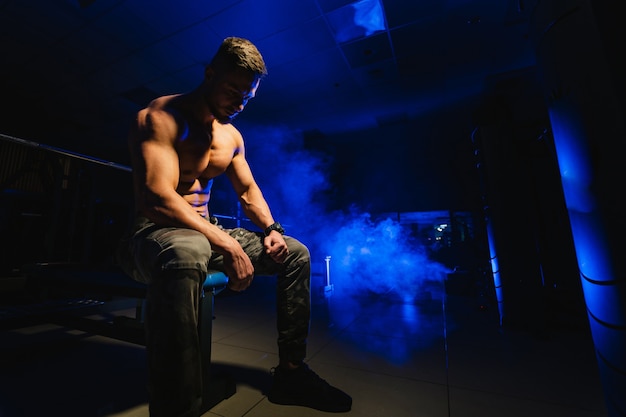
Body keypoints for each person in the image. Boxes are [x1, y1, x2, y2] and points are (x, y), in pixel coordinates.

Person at [116, 37, 352, 416]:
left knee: (295, 254)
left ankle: (291, 374)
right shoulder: (158, 118)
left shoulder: (231, 136)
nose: (239, 104)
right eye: (232, 91)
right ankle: (177, 408)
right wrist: (228, 244)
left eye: (247, 97)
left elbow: (247, 190)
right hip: (151, 235)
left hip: (203, 230)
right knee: (186, 250)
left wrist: (273, 228)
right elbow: (157, 198)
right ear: (210, 74)